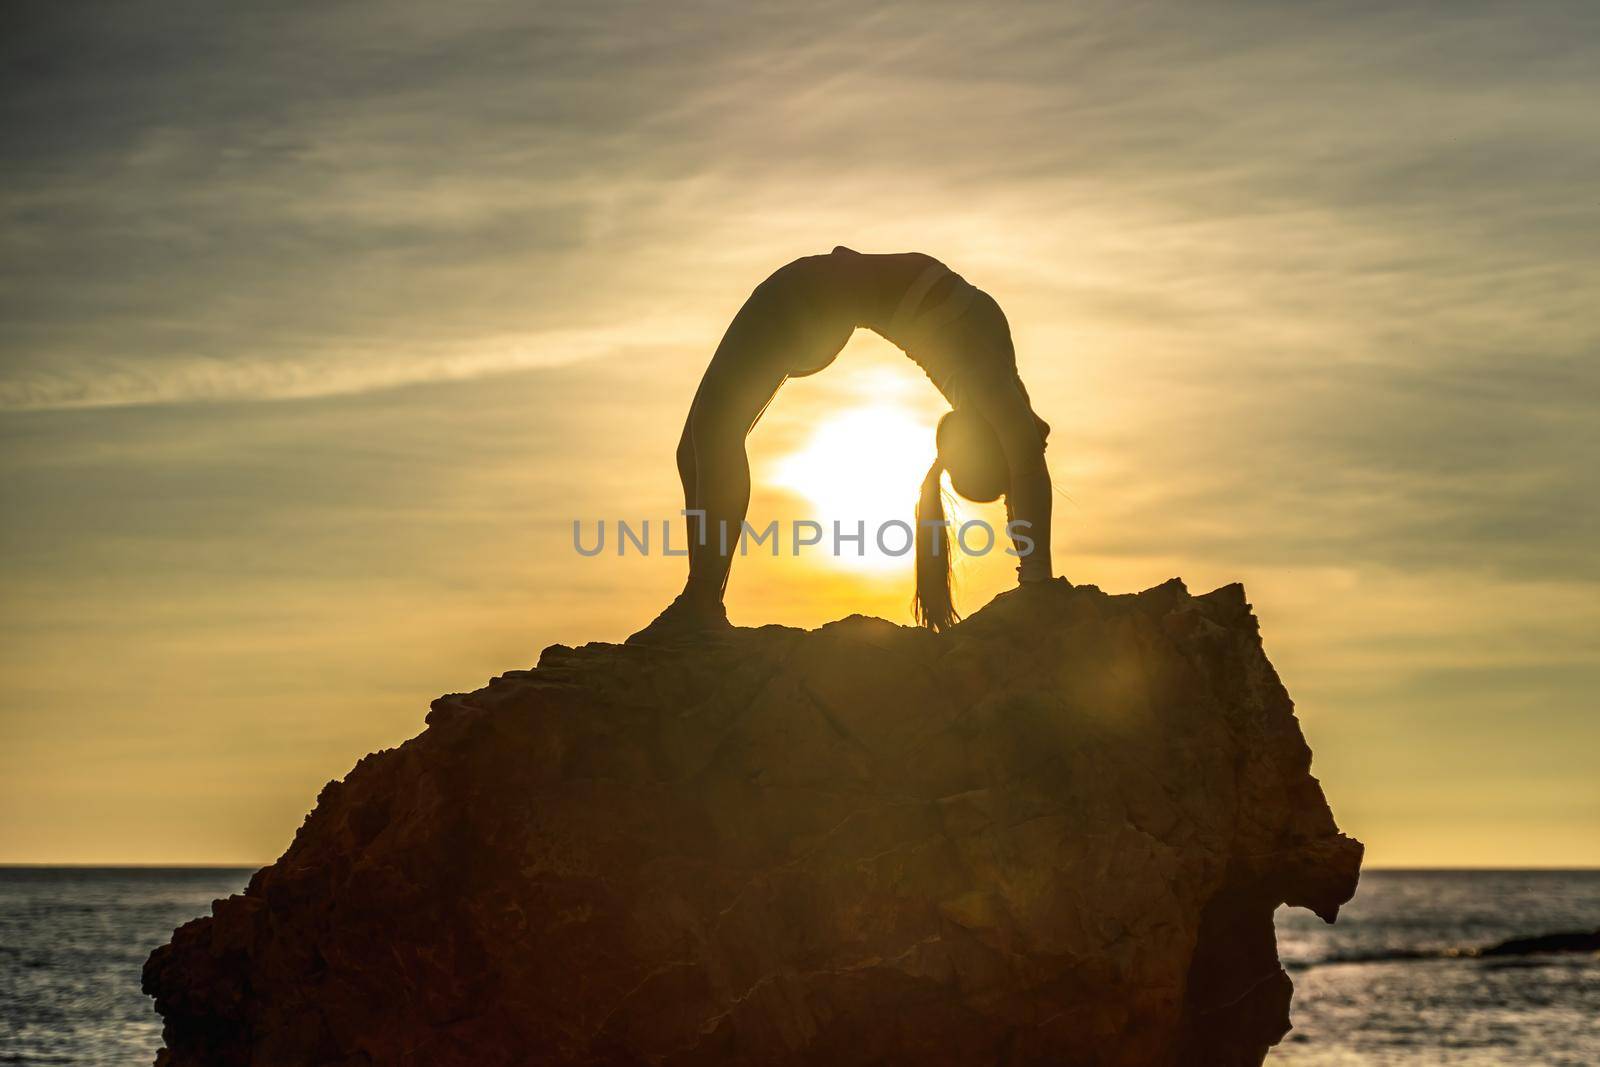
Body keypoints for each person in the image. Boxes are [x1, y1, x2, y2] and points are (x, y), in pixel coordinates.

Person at [629, 246, 1053, 643]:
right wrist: (1037, 580)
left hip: (811, 300)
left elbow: (1027, 454)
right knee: (695, 448)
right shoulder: (989, 386)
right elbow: (1027, 454)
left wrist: (1036, 580)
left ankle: (700, 605)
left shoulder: (981, 375)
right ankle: (700, 602)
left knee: (712, 435)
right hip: (817, 301)